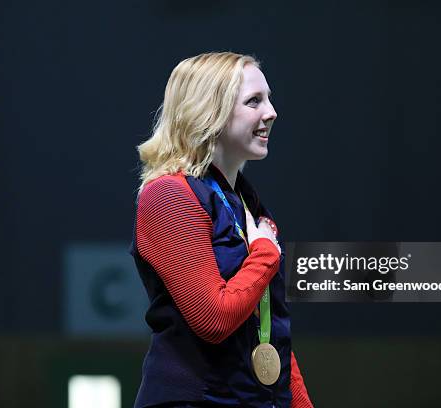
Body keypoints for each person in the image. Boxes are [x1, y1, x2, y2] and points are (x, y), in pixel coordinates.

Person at [130, 52, 313, 408]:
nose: (271, 112)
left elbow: (272, 334)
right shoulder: (168, 195)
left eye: (269, 99)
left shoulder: (247, 204)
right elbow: (214, 319)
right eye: (253, 101)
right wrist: (265, 254)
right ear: (209, 112)